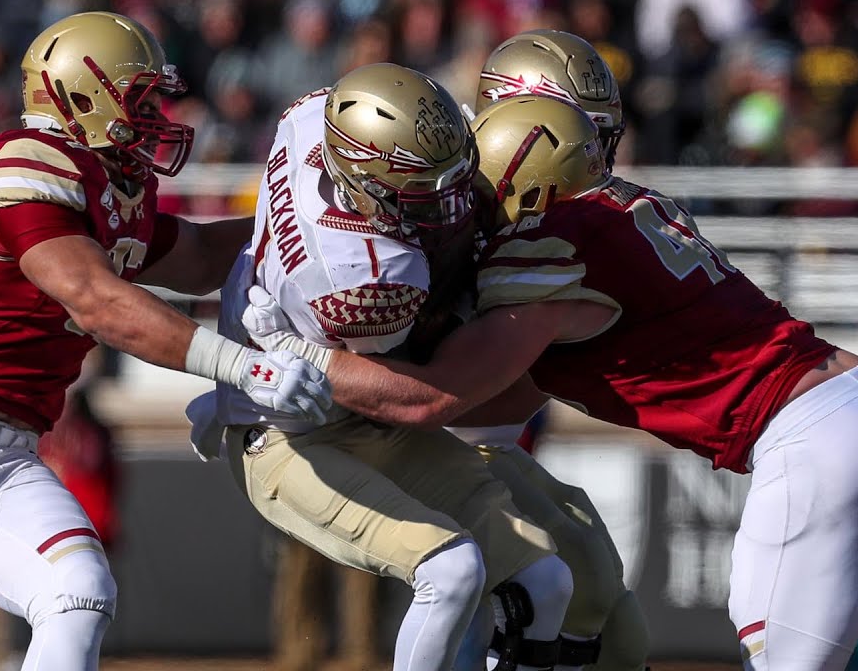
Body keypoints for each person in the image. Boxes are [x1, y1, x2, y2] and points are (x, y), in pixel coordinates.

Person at [243, 94, 858, 671]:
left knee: (776, 652)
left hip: (813, 440)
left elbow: (438, 394)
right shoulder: (627, 211)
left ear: (521, 188)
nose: (463, 211)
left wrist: (300, 356)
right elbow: (510, 397)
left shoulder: (549, 244)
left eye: (476, 192)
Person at [0, 11, 331, 671]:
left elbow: (198, 256)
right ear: (82, 96)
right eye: (140, 98)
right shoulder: (28, 159)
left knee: (78, 593)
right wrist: (247, 370)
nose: (157, 115)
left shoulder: (116, 187)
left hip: (6, 457)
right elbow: (96, 299)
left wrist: (307, 224)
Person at [187, 63, 576, 671]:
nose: (451, 203)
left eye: (454, 178)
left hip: (350, 406)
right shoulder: (373, 280)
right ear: (360, 184)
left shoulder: (310, 115)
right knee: (451, 569)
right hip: (291, 435)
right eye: (425, 191)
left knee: (546, 580)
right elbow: (421, 397)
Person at [463, 29, 649, 671]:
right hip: (423, 436)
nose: (595, 159)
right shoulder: (446, 201)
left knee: (616, 618)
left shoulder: (552, 222)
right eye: (578, 136)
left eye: (600, 139)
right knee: (566, 584)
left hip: (477, 433)